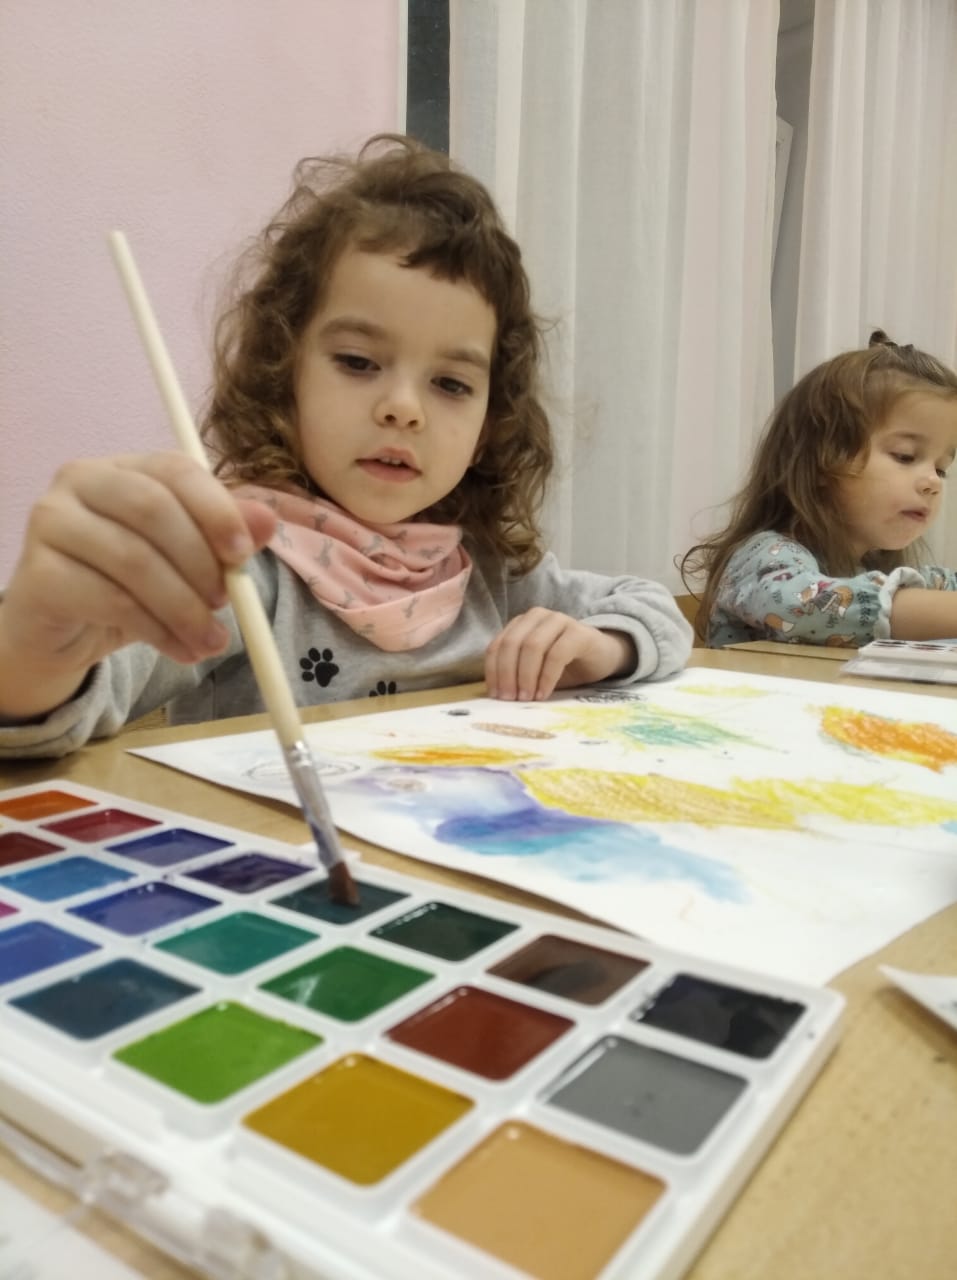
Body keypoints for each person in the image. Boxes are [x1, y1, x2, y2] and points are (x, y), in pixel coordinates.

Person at [0, 134, 691, 759]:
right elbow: (59, 709)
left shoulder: (488, 569)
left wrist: (602, 647)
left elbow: (653, 607)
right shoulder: (246, 568)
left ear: (490, 425)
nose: (403, 408)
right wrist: (35, 646)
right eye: (358, 362)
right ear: (284, 373)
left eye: (450, 383)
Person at [680, 331, 957, 648]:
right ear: (823, 461)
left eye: (941, 469)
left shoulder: (871, 568)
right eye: (905, 456)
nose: (932, 482)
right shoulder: (765, 555)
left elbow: (940, 584)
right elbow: (803, 607)